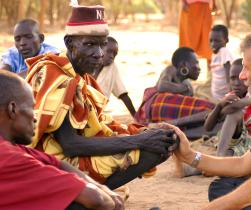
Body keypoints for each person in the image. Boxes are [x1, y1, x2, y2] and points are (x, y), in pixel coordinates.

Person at [25, 5, 178, 190]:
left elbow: (100, 126)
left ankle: (92, 194)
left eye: (102, 44)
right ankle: (82, 199)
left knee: (163, 140)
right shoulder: (57, 77)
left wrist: (144, 132)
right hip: (49, 164)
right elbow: (70, 145)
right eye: (90, 44)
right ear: (69, 43)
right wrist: (141, 140)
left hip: (71, 154)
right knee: (151, 149)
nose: (99, 54)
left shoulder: (81, 76)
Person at [163, 26, 251, 209]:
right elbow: (244, 164)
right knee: (222, 188)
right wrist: (190, 156)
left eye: (246, 68)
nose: (242, 76)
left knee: (238, 201)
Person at [0, 70, 124, 210]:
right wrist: (112, 202)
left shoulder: (12, 149)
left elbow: (57, 163)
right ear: (12, 109)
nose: (35, 117)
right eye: (31, 108)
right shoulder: (10, 158)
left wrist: (101, 187)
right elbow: (96, 199)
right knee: (74, 202)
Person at [134, 47, 215, 138]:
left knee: (204, 114)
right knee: (209, 110)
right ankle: (169, 124)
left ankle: (170, 126)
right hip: (158, 105)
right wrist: (182, 88)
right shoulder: (171, 69)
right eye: (196, 63)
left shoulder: (188, 85)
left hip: (170, 113)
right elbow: (162, 86)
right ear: (183, 64)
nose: (199, 68)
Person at [204, 58, 251, 156]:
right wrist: (219, 106)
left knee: (235, 113)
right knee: (227, 154)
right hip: (243, 139)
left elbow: (231, 108)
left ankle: (219, 156)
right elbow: (208, 127)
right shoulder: (231, 96)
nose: (236, 83)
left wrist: (221, 111)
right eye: (232, 78)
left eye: (241, 79)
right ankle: (219, 157)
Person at [93, 36, 136, 117]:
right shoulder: (85, 64)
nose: (112, 56)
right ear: (99, 49)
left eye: (115, 54)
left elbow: (123, 94)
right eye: (109, 51)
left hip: (97, 114)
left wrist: (136, 116)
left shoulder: (112, 68)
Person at [209, 24, 234, 102]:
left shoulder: (224, 51)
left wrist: (230, 95)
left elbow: (229, 76)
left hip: (222, 99)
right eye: (211, 40)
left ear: (226, 40)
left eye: (217, 41)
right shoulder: (215, 53)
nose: (213, 44)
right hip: (215, 96)